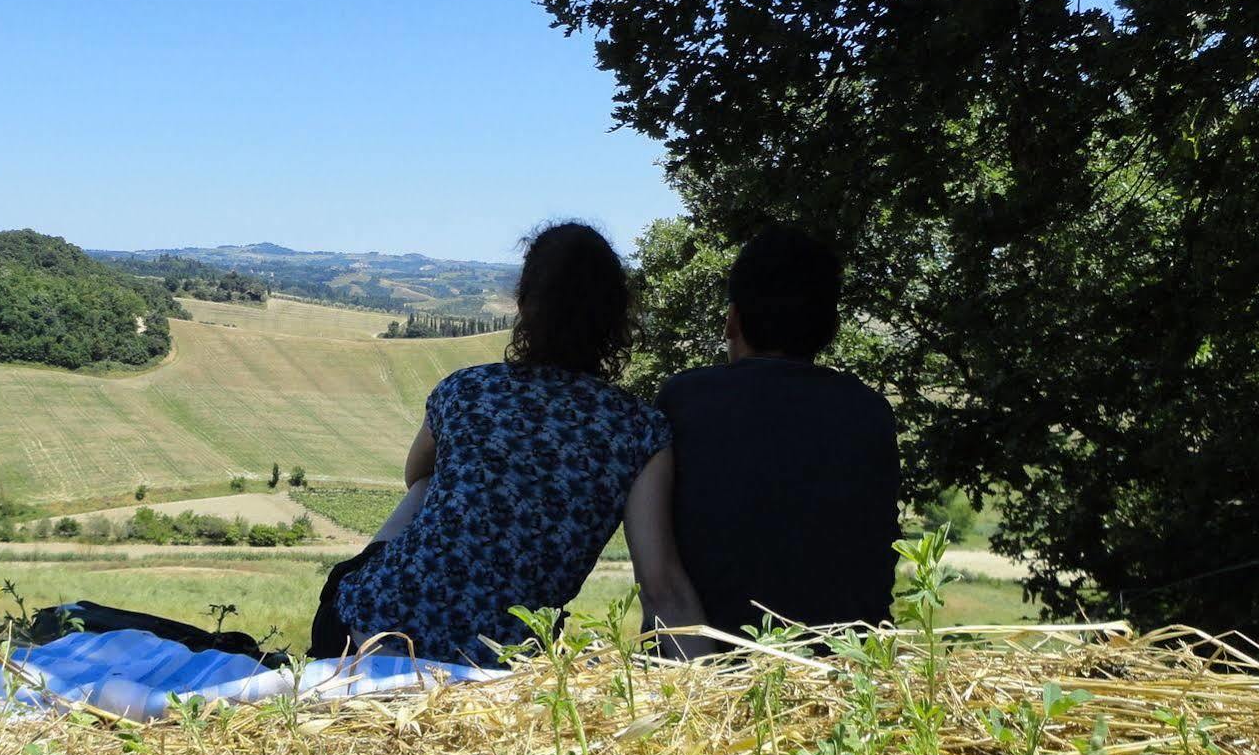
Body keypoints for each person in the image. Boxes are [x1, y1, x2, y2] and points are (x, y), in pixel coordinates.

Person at [310, 222, 708, 664]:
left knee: (429, 482)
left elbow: (414, 477)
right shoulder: (638, 429)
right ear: (618, 317)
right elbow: (662, 590)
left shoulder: (465, 391)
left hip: (361, 630)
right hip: (496, 663)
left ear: (523, 303)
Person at [651, 224, 899, 639]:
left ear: (733, 320)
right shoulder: (870, 411)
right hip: (843, 669)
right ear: (828, 329)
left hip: (705, 670)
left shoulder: (682, 401)